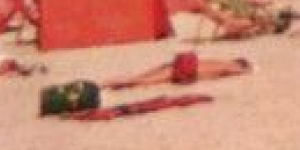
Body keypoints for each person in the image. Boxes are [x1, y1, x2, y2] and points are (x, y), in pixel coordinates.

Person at [103, 51, 252, 90]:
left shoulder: (219, 61)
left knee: (141, 76)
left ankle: (113, 82)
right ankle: (112, 83)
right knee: (142, 81)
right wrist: (249, 70)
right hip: (186, 69)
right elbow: (237, 71)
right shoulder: (229, 66)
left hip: (182, 63)